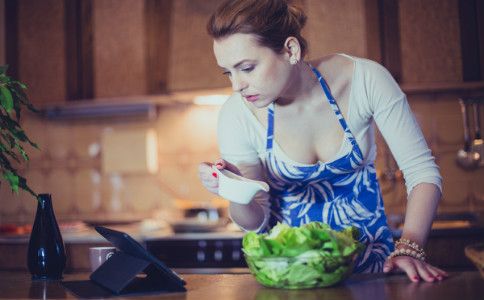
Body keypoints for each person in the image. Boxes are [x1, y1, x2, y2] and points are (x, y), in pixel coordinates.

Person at [198, 0, 448, 282]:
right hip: (292, 278)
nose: (236, 85)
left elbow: (422, 172)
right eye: (228, 72)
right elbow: (257, 221)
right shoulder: (237, 113)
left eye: (247, 68)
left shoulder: (365, 80)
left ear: (290, 50)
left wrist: (409, 248)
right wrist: (234, 189)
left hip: (374, 271)